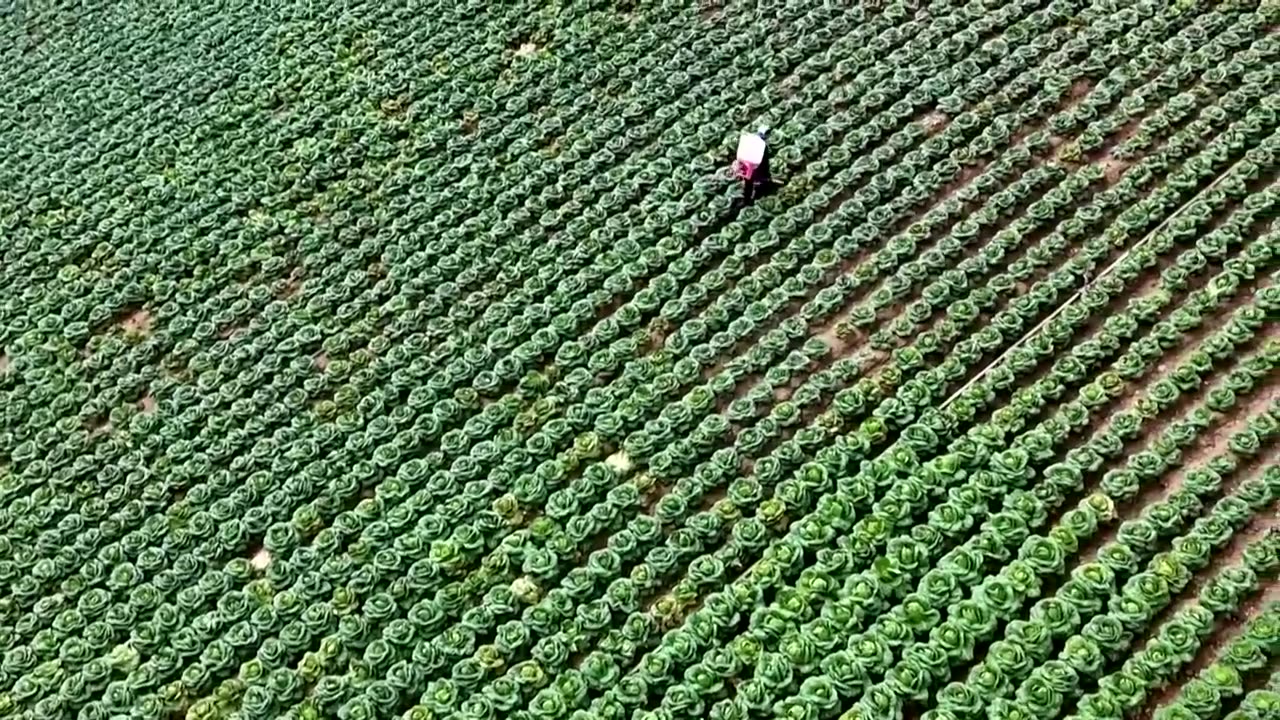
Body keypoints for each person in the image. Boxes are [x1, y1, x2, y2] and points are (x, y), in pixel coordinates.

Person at [734, 127, 772, 206]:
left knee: (749, 183)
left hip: (750, 168)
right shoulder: (762, 145)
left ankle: (747, 199)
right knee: (758, 181)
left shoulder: (751, 140)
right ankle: (752, 198)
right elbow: (763, 160)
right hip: (756, 168)